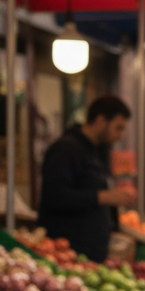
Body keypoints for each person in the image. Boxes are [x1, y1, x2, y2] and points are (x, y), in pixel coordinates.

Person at [38, 95, 134, 263]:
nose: (120, 135)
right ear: (101, 121)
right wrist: (102, 197)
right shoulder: (66, 149)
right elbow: (53, 195)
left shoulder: (98, 151)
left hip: (92, 254)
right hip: (68, 255)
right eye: (118, 128)